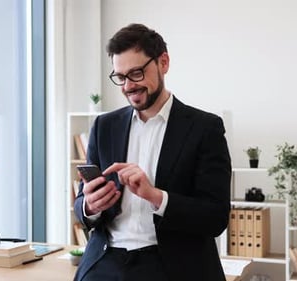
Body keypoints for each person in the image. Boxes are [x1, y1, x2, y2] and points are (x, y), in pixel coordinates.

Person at [73, 23, 231, 281]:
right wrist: (91, 205)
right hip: (106, 259)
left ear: (163, 63)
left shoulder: (205, 128)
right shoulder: (104, 126)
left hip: (170, 262)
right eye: (120, 77)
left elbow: (215, 217)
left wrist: (156, 196)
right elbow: (81, 205)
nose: (128, 86)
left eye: (136, 74)